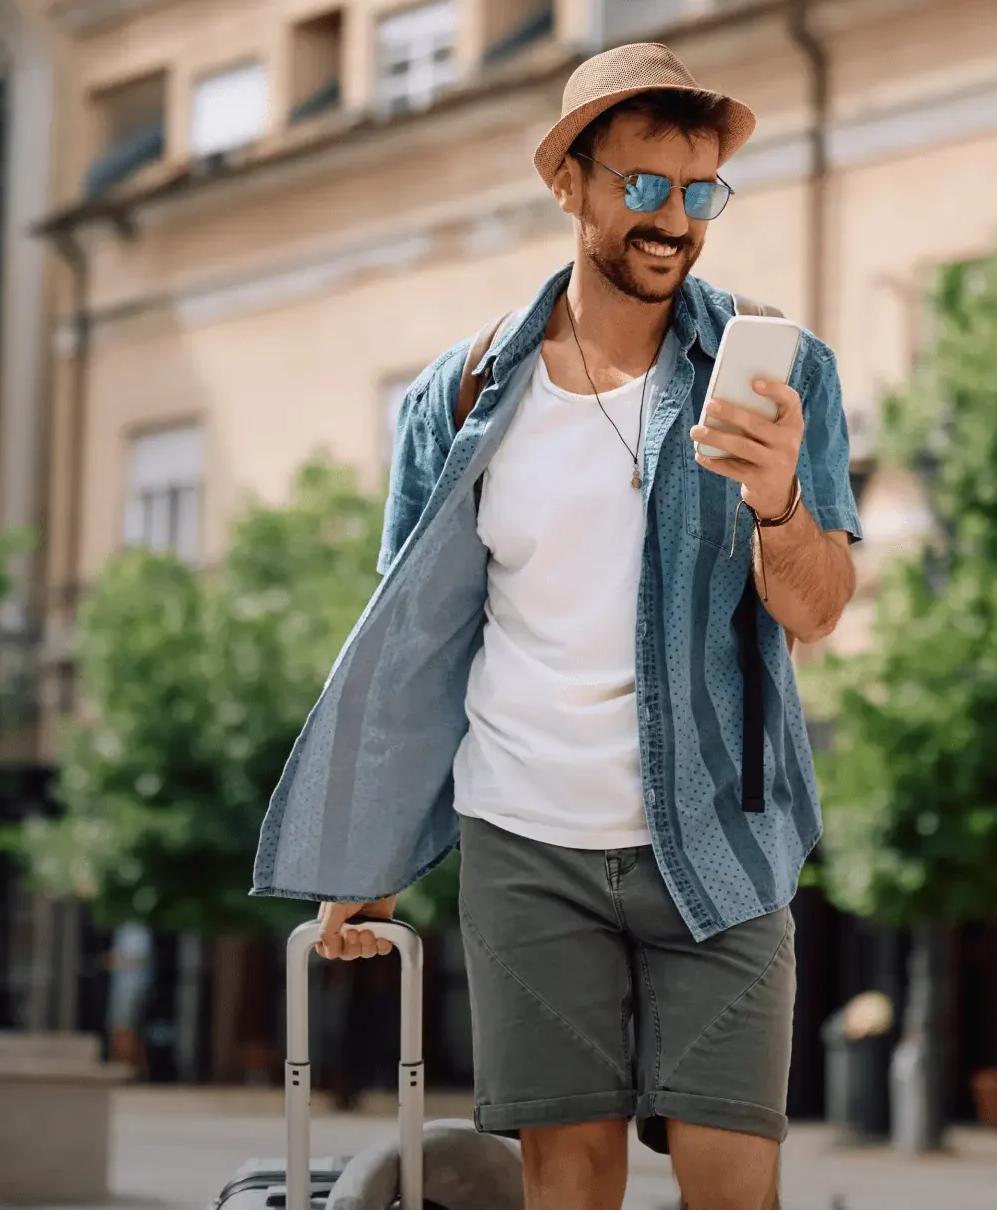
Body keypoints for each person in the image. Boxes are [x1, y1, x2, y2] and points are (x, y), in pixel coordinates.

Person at [252, 42, 861, 1210]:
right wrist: (368, 851)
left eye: (698, 193)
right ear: (569, 182)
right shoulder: (465, 390)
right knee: (567, 1183)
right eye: (641, 187)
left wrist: (778, 499)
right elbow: (412, 642)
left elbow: (818, 610)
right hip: (526, 840)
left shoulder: (781, 378)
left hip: (720, 847)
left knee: (733, 1183)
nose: (673, 221)